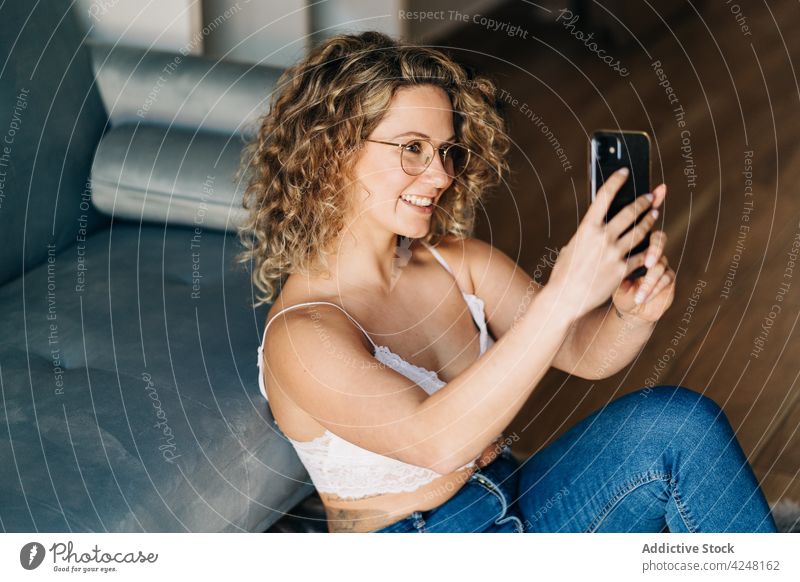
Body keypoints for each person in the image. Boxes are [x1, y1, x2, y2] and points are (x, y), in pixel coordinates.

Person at [236, 31, 777, 533]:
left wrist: (630, 314)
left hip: (516, 497)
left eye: (446, 150)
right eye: (413, 148)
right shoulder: (302, 334)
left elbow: (580, 350)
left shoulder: (457, 262)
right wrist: (564, 294)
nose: (442, 173)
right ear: (333, 152)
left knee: (682, 426)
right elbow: (438, 442)